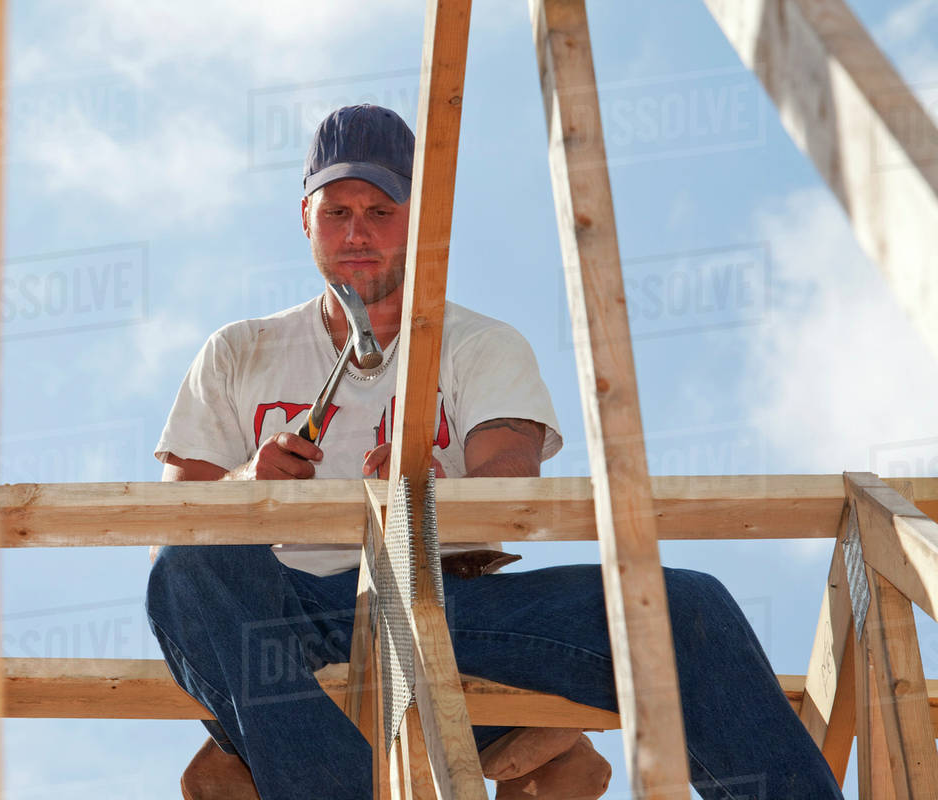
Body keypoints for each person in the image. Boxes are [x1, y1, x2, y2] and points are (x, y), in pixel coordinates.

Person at [146, 104, 843, 800]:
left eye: (382, 211)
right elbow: (173, 534)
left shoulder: (479, 345)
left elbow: (510, 486)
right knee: (186, 572)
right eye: (336, 212)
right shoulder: (239, 352)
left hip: (443, 612)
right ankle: (371, 760)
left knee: (689, 608)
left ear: (421, 223)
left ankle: (285, 757)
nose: (356, 233)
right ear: (305, 219)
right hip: (280, 621)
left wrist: (425, 482)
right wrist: (248, 483)